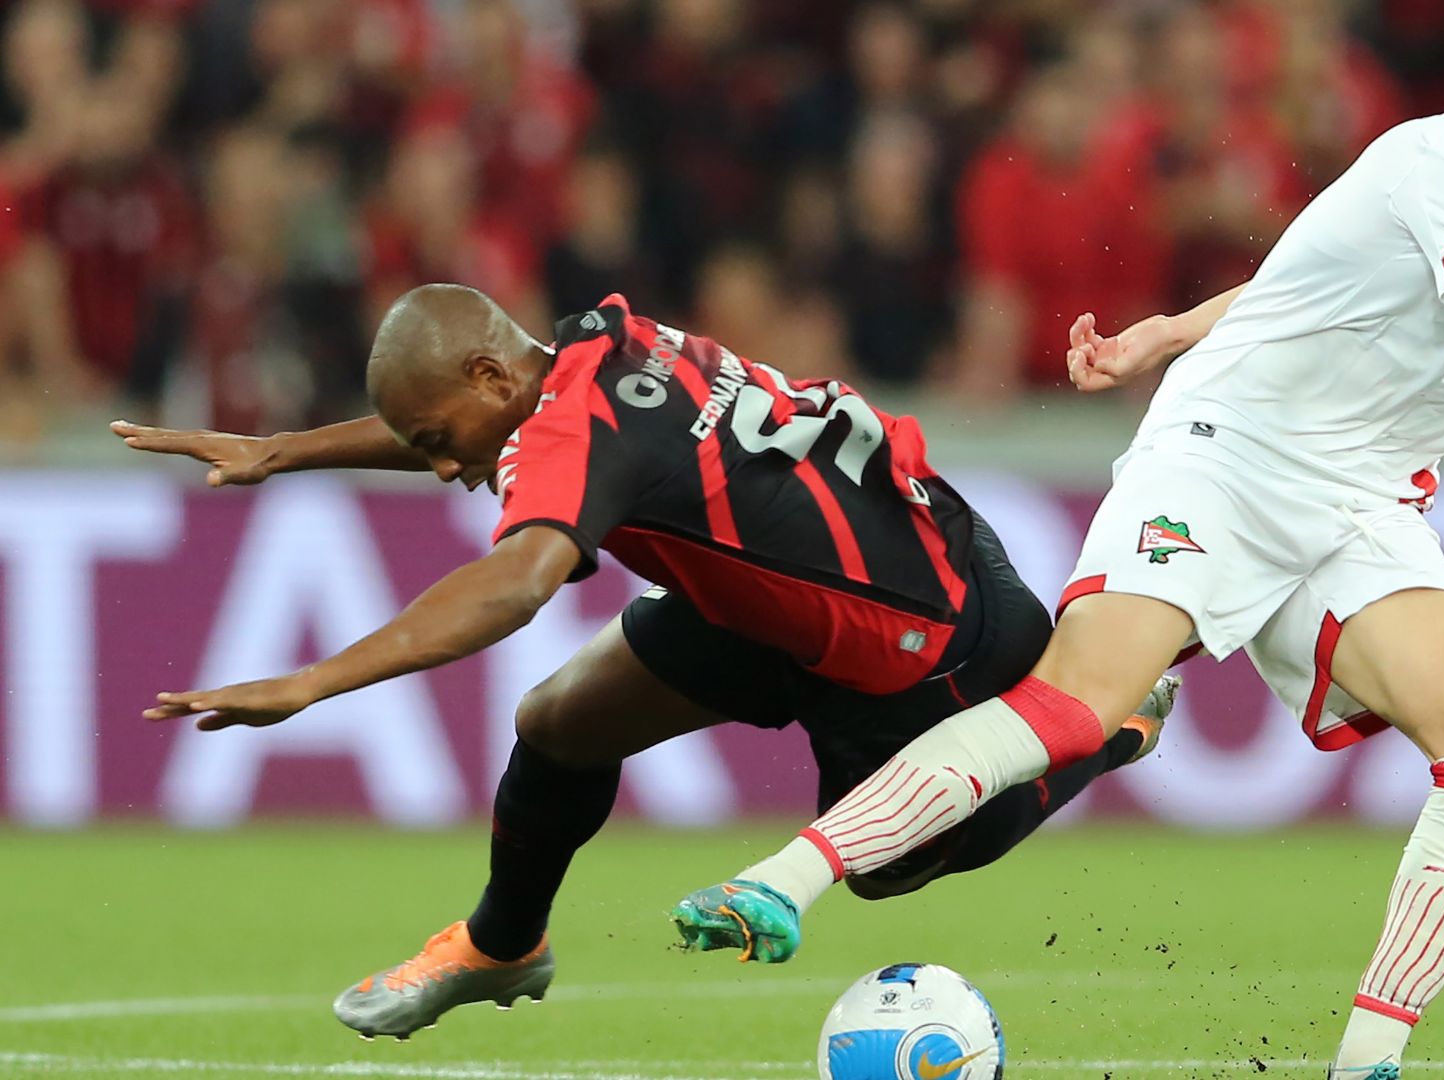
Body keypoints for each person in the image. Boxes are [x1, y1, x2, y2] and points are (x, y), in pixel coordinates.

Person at [670, 37, 1444, 1079]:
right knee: (1077, 706)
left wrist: (1172, 326)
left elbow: (1310, 272)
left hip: (1357, 508)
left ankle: (1367, 1067)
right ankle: (785, 878)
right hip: (1226, 456)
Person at [115, 283, 1175, 1040]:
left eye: (441, 438)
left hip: (922, 632)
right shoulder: (584, 360)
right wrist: (280, 452)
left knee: (892, 866)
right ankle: (501, 946)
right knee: (561, 722)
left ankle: (1107, 723)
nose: (443, 468)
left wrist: (311, 681)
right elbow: (494, 436)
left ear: (493, 371)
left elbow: (516, 585)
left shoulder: (579, 426)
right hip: (760, 606)